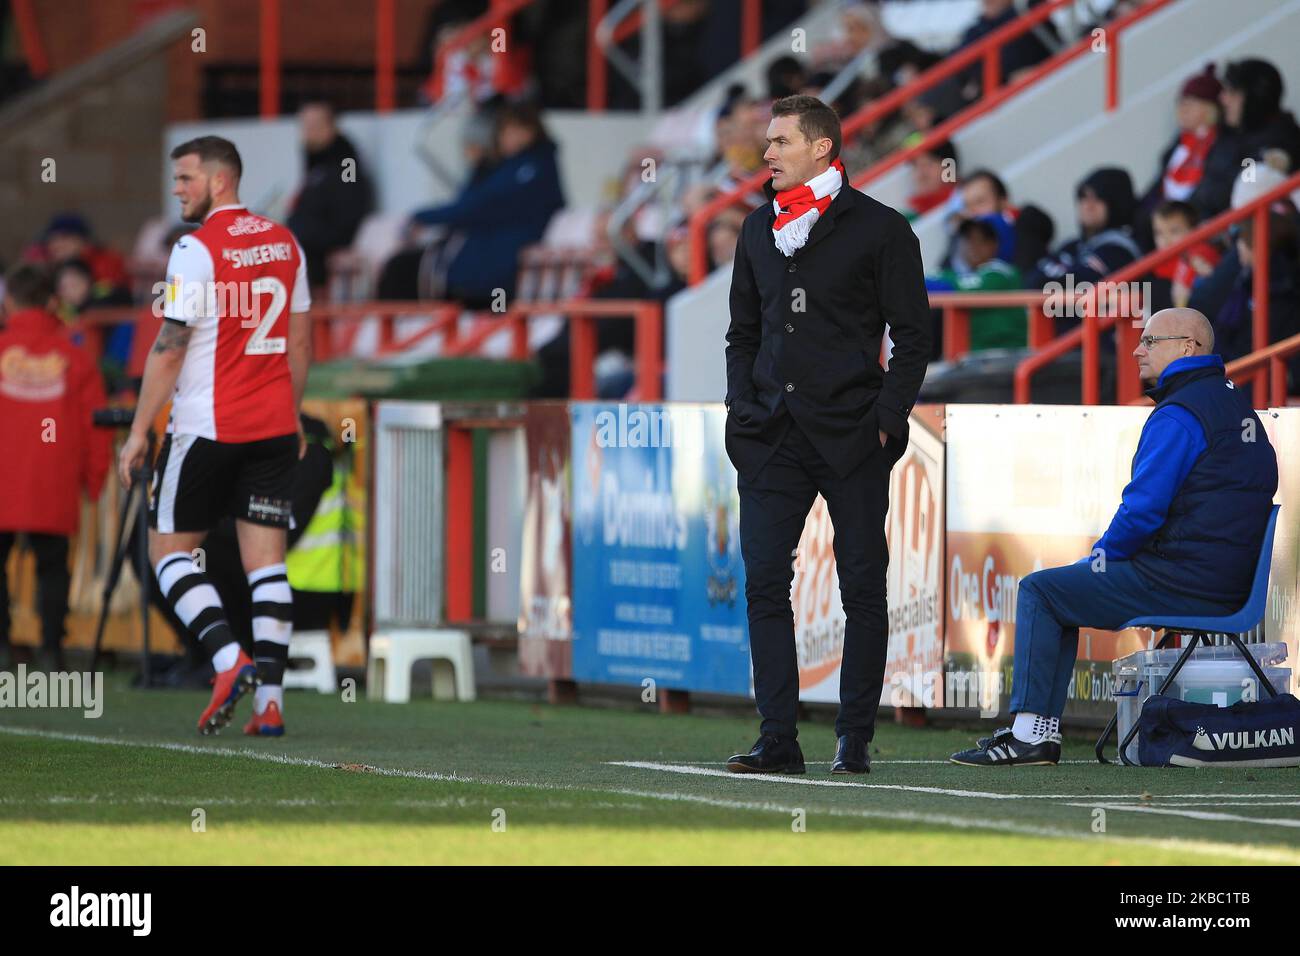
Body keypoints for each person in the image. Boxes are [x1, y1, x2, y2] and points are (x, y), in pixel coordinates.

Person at [951, 308, 1278, 765]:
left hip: (1184, 581)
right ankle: (1036, 732)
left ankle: (1031, 734)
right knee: (1056, 594)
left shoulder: (1181, 413)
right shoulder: (1234, 405)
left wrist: (1100, 559)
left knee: (1041, 591)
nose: (1136, 349)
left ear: (1188, 347)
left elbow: (1142, 511)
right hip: (1225, 584)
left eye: (1150, 340)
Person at [724, 95, 930, 775]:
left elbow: (914, 338)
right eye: (768, 143)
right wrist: (741, 410)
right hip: (770, 436)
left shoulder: (882, 229)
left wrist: (887, 419)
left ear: (821, 148)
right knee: (762, 582)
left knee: (863, 588)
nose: (768, 153)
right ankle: (778, 737)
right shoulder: (757, 228)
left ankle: (854, 738)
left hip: (852, 434)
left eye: (780, 141)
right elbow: (742, 333)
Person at [117, 136, 311, 737]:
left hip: (207, 426)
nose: (177, 190)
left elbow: (170, 348)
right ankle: (270, 705)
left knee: (167, 553)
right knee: (268, 568)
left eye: (185, 179)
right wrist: (294, 413)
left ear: (219, 181)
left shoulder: (195, 250)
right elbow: (301, 343)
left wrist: (137, 432)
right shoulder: (286, 241)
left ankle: (230, 661)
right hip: (274, 428)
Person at [0, 264, 111, 671]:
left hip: (4, 475)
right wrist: (94, 478)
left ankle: (3, 646)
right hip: (54, 475)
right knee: (52, 565)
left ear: (9, 302)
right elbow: (95, 424)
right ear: (52, 302)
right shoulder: (76, 358)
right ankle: (51, 649)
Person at [287, 101, 374, 289]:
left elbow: (351, 199)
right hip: (308, 235)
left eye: (315, 126)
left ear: (331, 126)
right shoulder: (314, 160)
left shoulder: (347, 160)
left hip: (330, 238)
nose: (309, 132)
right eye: (305, 126)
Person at [926, 216, 1025, 352]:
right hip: (974, 358)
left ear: (995, 244)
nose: (973, 246)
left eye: (982, 240)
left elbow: (954, 288)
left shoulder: (1003, 272)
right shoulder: (959, 273)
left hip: (1007, 353)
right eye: (968, 239)